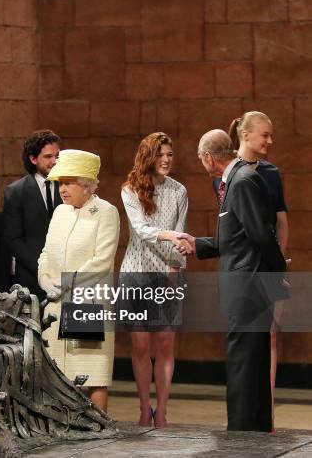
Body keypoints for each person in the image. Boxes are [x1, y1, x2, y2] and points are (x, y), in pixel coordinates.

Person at [179, 129, 287, 432]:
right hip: (248, 285)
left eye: (201, 160)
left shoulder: (241, 181)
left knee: (243, 364)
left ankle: (241, 434)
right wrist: (198, 244)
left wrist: (279, 272)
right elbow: (237, 236)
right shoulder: (237, 180)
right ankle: (255, 430)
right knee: (251, 362)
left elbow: (261, 234)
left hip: (247, 288)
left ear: (208, 158)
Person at [38, 149, 120, 412]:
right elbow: (46, 252)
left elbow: (102, 261)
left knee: (91, 373)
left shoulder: (106, 212)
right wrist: (44, 278)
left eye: (69, 182)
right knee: (58, 372)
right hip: (56, 304)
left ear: (86, 184)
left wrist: (66, 282)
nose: (63, 189)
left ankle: (98, 433)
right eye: (60, 183)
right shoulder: (60, 212)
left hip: (88, 301)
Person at [119, 132, 189, 428]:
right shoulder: (130, 189)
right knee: (141, 346)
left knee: (165, 344)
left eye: (170, 155)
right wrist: (170, 235)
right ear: (148, 156)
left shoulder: (179, 191)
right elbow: (141, 229)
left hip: (168, 273)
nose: (166, 160)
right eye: (160, 155)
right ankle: (144, 407)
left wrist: (177, 263)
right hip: (136, 273)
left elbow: (181, 231)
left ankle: (161, 410)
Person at [226, 112, 288, 431]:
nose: (270, 141)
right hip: (247, 278)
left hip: (257, 274)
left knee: (259, 357)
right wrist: (278, 267)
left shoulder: (266, 174)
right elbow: (255, 233)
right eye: (265, 135)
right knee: (245, 361)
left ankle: (260, 428)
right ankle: (242, 433)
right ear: (246, 135)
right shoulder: (242, 176)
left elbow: (277, 224)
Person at [3, 129, 62, 298]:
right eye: (48, 157)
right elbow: (14, 240)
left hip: (64, 278)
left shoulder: (70, 187)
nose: (54, 161)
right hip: (30, 279)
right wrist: (43, 272)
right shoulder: (15, 192)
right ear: (33, 158)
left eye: (57, 156)